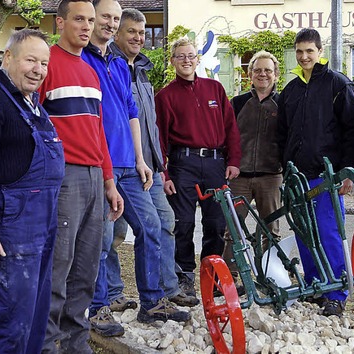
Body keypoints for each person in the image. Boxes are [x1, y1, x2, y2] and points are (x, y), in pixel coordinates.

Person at [82, 0, 190, 336]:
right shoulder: (82, 60)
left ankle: (152, 302)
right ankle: (99, 309)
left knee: (153, 227)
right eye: (107, 18)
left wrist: (143, 160)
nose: (111, 24)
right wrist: (105, 168)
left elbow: (132, 111)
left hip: (130, 165)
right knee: (101, 240)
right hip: (102, 167)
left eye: (116, 18)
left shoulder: (116, 63)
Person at [0, 29, 63, 354]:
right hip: (12, 227)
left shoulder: (31, 103)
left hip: (43, 225)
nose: (38, 70)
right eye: (31, 60)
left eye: (44, 63)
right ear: (9, 59)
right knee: (11, 321)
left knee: (34, 316)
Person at [38, 0, 124, 352]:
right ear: (60, 22)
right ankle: (46, 343)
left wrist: (109, 181)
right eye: (79, 19)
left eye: (91, 20)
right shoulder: (46, 65)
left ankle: (76, 342)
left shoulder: (90, 70)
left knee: (87, 268)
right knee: (59, 266)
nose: (87, 26)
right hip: (64, 178)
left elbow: (99, 131)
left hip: (94, 178)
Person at [109, 7, 199, 309]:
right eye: (131, 31)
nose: (138, 37)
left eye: (142, 31)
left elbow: (151, 124)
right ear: (117, 33)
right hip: (120, 162)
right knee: (113, 231)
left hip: (150, 165)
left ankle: (167, 287)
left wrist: (160, 164)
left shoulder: (144, 71)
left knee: (164, 222)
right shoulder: (110, 66)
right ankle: (111, 293)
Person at [277, 28, 354, 316]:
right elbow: (283, 135)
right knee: (304, 234)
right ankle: (315, 286)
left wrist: (346, 173)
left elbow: (353, 131)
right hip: (297, 178)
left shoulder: (338, 85)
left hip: (327, 177)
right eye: (299, 52)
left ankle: (336, 293)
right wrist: (284, 169)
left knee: (327, 233)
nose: (304, 57)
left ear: (320, 51)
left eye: (309, 51)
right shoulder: (290, 90)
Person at [155, 38, 241, 298]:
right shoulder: (165, 96)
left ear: (198, 58)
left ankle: (212, 276)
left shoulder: (214, 89)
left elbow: (230, 128)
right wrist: (165, 172)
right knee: (183, 223)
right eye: (180, 56)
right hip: (183, 165)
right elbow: (159, 137)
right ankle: (184, 278)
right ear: (172, 61)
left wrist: (234, 160)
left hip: (215, 164)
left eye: (190, 56)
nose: (186, 61)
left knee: (215, 224)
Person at [222, 50, 283, 275]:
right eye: (257, 70)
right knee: (233, 229)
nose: (263, 74)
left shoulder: (283, 104)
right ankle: (230, 276)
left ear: (276, 74)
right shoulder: (237, 103)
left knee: (271, 228)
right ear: (250, 74)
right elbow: (225, 136)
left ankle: (269, 274)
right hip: (240, 177)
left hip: (271, 176)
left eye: (268, 70)